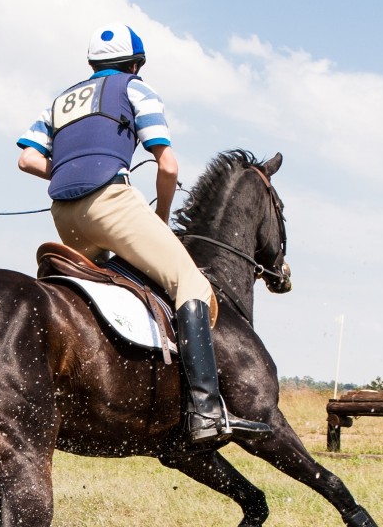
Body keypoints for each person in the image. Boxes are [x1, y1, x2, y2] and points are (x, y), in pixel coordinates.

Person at [16, 23, 270, 443]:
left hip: (64, 215)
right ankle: (206, 411)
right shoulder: (135, 89)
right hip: (112, 204)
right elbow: (167, 165)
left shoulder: (61, 101)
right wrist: (163, 215)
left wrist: (63, 170)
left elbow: (27, 159)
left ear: (92, 64)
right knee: (190, 282)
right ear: (136, 64)